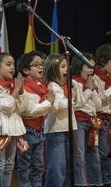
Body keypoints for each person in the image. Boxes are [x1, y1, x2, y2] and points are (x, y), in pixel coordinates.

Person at [0, 52, 28, 187]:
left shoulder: (12, 86)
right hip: (1, 130)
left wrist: (21, 91)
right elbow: (6, 106)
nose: (13, 68)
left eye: (13, 65)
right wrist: (16, 90)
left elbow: (23, 108)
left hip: (14, 129)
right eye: (8, 64)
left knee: (10, 164)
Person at [15, 50, 54, 187]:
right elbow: (30, 111)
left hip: (39, 130)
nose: (41, 67)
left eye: (42, 64)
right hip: (26, 130)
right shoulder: (24, 87)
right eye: (36, 65)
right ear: (26, 70)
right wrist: (48, 103)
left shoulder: (43, 87)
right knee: (24, 164)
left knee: (38, 165)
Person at [43, 53, 78, 187]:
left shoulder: (65, 85)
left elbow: (73, 105)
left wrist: (73, 97)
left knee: (69, 167)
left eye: (66, 66)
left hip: (69, 128)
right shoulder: (53, 86)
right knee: (57, 168)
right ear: (53, 68)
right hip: (56, 130)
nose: (67, 69)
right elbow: (61, 106)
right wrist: (72, 98)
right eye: (62, 66)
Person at [71, 52, 103, 186]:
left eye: (93, 67)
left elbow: (98, 105)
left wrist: (92, 90)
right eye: (88, 66)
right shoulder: (73, 82)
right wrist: (88, 91)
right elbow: (76, 104)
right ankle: (81, 183)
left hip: (92, 123)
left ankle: (96, 183)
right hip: (79, 122)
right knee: (80, 156)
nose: (91, 70)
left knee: (94, 155)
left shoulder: (90, 83)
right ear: (79, 65)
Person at [94, 44, 111, 186]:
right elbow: (97, 100)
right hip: (100, 119)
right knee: (102, 153)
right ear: (104, 61)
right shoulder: (95, 77)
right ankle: (104, 180)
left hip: (109, 119)